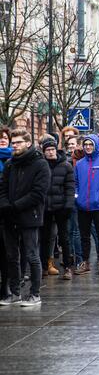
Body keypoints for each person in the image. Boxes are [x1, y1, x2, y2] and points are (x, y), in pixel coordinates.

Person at [0, 130, 50, 306]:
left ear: (28, 143)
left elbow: (38, 193)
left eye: (18, 142)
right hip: (9, 216)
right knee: (11, 256)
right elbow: (3, 188)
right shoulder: (9, 164)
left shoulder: (40, 164)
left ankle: (34, 294)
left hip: (30, 215)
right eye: (13, 142)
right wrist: (5, 205)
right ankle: (14, 293)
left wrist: (15, 206)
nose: (14, 145)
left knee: (31, 255)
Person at [73, 135, 99, 276]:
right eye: (85, 144)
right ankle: (85, 262)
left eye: (90, 144)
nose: (88, 147)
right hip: (82, 206)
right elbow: (75, 183)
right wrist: (77, 196)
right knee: (84, 236)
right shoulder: (79, 164)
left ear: (96, 145)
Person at [39, 138, 75, 280]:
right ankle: (44, 266)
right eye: (48, 150)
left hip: (61, 206)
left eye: (52, 149)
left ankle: (67, 267)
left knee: (64, 238)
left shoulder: (66, 165)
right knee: (45, 238)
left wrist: (68, 205)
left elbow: (70, 187)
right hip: (46, 207)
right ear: (44, 152)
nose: (51, 152)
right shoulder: (41, 165)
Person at [0, 127, 12, 299]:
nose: (2, 140)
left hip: (8, 208)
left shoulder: (14, 158)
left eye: (4, 137)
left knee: (7, 249)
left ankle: (6, 285)